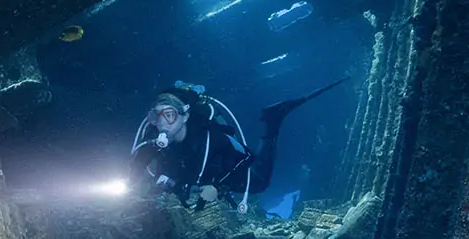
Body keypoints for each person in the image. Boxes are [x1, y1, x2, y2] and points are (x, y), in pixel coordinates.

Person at [131, 78, 347, 213]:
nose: (162, 123)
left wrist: (218, 187)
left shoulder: (210, 136)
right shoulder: (152, 140)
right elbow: (135, 170)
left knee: (260, 183)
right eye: (156, 116)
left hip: (228, 169)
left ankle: (273, 121)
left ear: (185, 116)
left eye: (169, 115)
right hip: (195, 178)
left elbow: (246, 157)